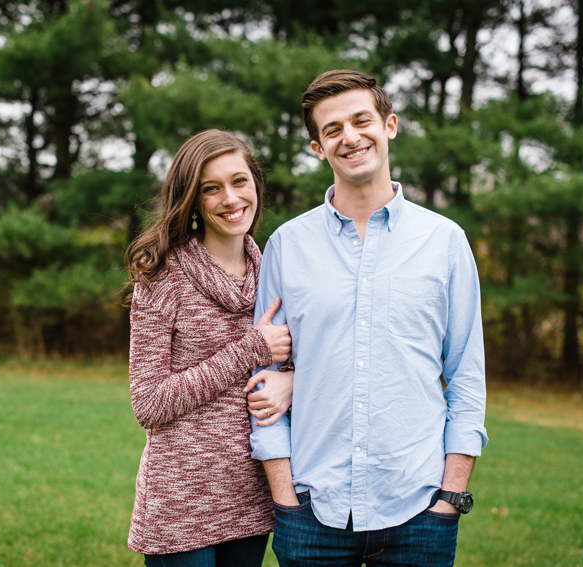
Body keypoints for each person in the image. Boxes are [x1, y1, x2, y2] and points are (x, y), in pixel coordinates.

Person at [249, 70, 488, 566]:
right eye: (332, 129)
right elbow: (264, 376)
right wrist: (285, 499)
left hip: (420, 510)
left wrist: (450, 498)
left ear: (390, 126)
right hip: (312, 511)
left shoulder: (444, 242)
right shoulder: (286, 247)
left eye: (362, 120)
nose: (350, 137)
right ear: (318, 148)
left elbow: (466, 376)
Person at [124, 129, 294, 567]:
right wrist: (249, 349)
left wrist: (291, 378)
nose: (230, 198)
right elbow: (148, 403)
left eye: (239, 181)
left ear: (256, 183)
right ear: (193, 200)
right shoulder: (163, 276)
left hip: (252, 495)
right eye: (211, 188)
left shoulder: (274, 273)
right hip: (182, 503)